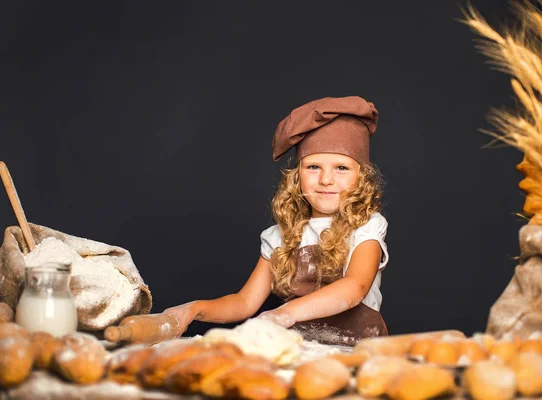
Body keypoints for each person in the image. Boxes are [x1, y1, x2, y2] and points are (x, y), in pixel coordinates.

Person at [164, 96, 390, 345]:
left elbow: (354, 287)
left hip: (358, 351)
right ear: (296, 177)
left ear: (362, 177)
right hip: (299, 351)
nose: (326, 179)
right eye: (313, 167)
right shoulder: (279, 236)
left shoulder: (366, 226)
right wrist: (193, 310)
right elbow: (244, 303)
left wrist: (284, 314)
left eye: (341, 168)